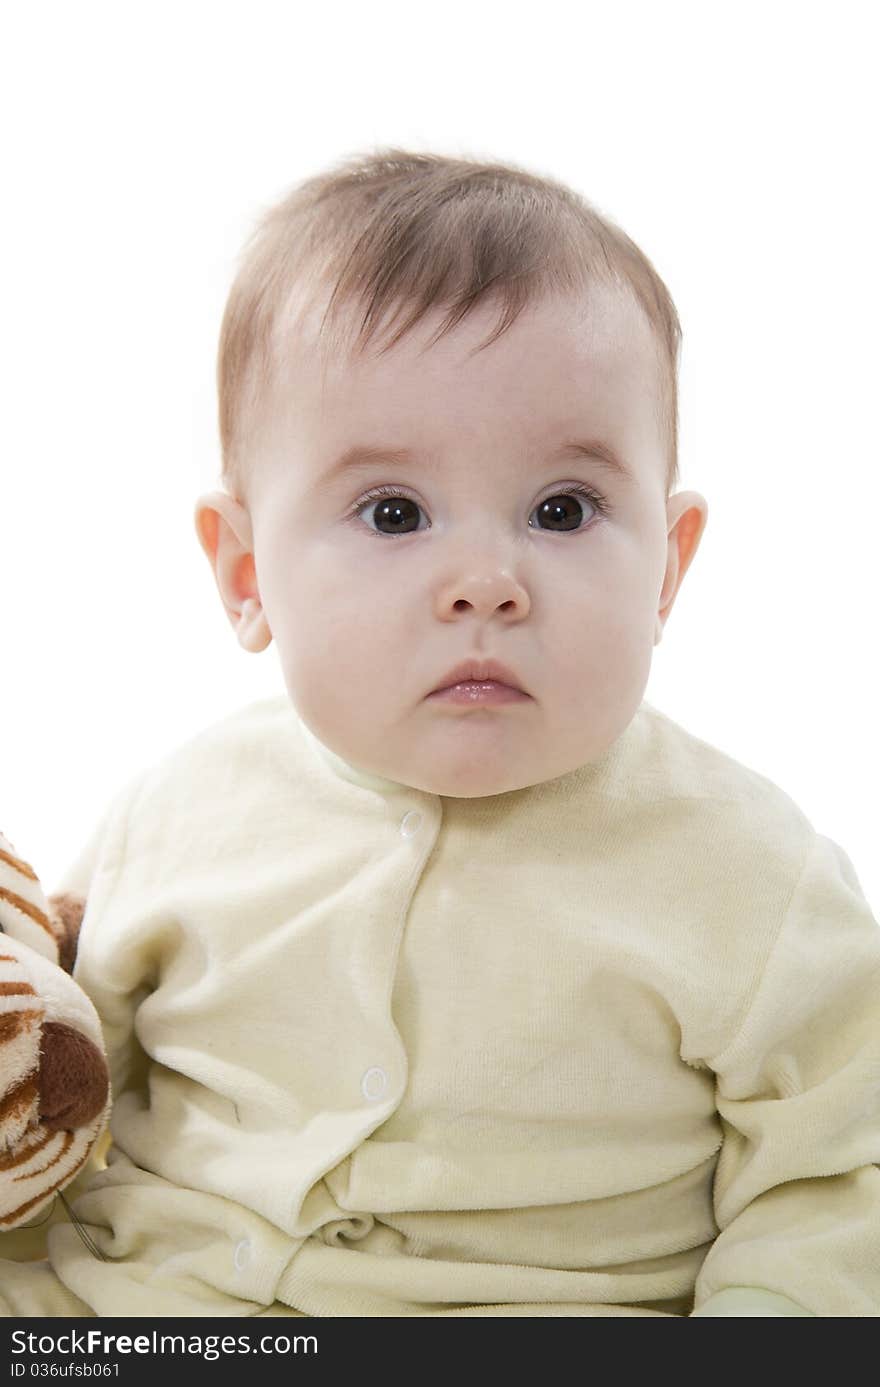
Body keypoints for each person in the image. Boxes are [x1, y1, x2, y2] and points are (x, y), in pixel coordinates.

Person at [3, 148, 878, 1317]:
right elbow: (67, 1081)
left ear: (666, 569)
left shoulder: (751, 875)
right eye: (394, 513)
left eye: (561, 510)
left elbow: (838, 1172)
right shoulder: (180, 811)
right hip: (145, 1307)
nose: (485, 582)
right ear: (248, 572)